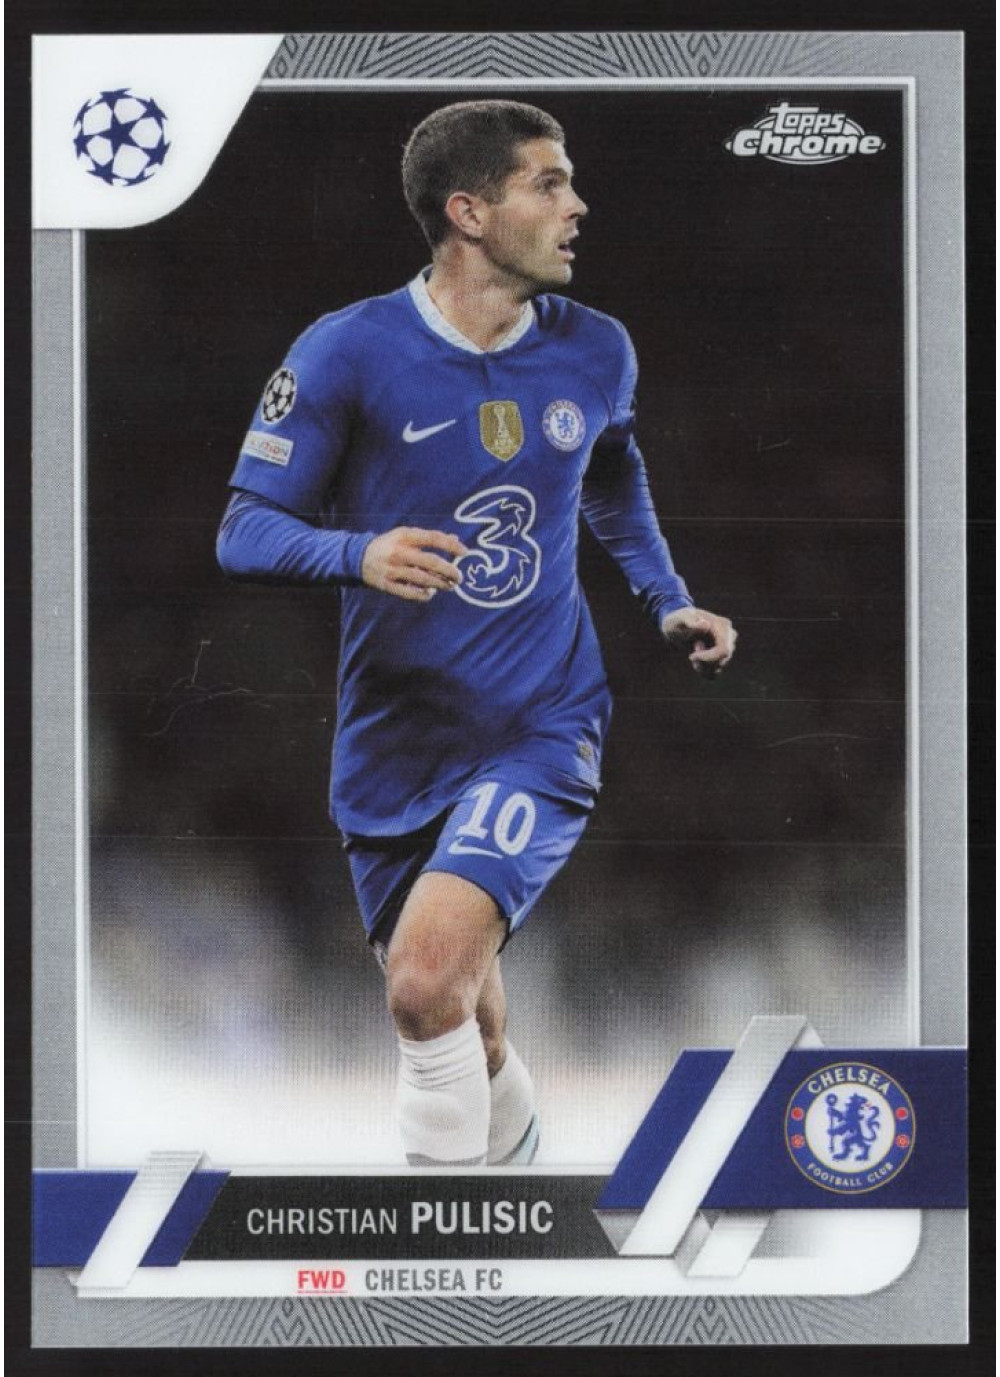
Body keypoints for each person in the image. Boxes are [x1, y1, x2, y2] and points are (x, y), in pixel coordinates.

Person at [217, 101, 736, 1168]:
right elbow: (244, 528)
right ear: (469, 212)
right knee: (465, 1026)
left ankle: (441, 1232)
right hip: (393, 739)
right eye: (548, 183)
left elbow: (611, 471)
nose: (577, 205)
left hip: (538, 722)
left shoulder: (596, 350)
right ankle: (519, 1178)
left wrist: (664, 595)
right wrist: (356, 551)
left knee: (420, 987)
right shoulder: (348, 350)